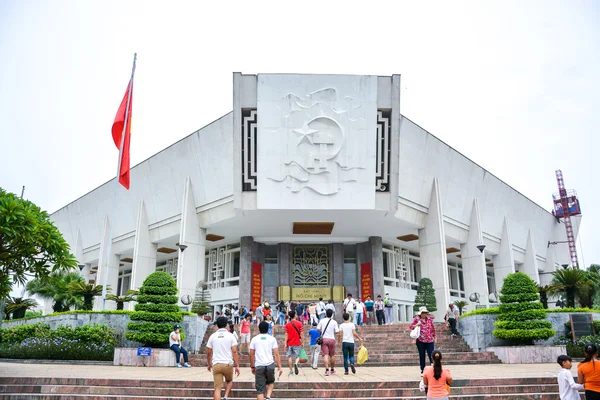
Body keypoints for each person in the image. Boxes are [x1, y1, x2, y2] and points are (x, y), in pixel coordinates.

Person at [206, 316, 240, 400]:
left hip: (216, 364)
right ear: (226, 325)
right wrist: (237, 365)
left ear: (217, 325)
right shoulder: (231, 336)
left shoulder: (213, 336)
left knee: (217, 388)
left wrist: (209, 364)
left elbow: (209, 352)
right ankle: (225, 396)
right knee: (229, 381)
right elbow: (235, 351)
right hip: (227, 363)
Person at [249, 321, 283, 400]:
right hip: (270, 364)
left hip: (259, 365)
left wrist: (252, 366)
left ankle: (265, 397)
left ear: (259, 329)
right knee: (270, 382)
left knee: (260, 389)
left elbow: (251, 354)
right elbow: (276, 354)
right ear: (268, 329)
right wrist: (279, 366)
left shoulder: (254, 339)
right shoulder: (272, 339)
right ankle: (268, 397)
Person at [410, 306, 436, 375]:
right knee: (422, 355)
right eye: (423, 313)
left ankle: (433, 368)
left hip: (429, 340)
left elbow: (433, 329)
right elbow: (411, 327)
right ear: (420, 314)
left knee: (431, 354)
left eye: (425, 313)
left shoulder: (429, 320)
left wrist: (434, 336)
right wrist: (416, 325)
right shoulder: (417, 319)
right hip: (420, 341)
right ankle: (422, 369)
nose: (424, 314)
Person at [317, 308, 340, 376]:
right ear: (332, 314)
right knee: (332, 355)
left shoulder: (322, 320)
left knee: (325, 355)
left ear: (325, 314)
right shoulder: (334, 322)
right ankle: (332, 370)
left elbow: (318, 328)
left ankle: (327, 370)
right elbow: (337, 331)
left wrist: (322, 331)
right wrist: (331, 332)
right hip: (332, 339)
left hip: (324, 339)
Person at [284, 310, 304, 376]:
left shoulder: (287, 325)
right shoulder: (299, 323)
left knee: (289, 357)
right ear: (295, 315)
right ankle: (295, 363)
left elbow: (286, 335)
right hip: (297, 342)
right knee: (297, 356)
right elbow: (302, 334)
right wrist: (302, 342)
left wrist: (285, 344)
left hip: (289, 343)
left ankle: (291, 371)